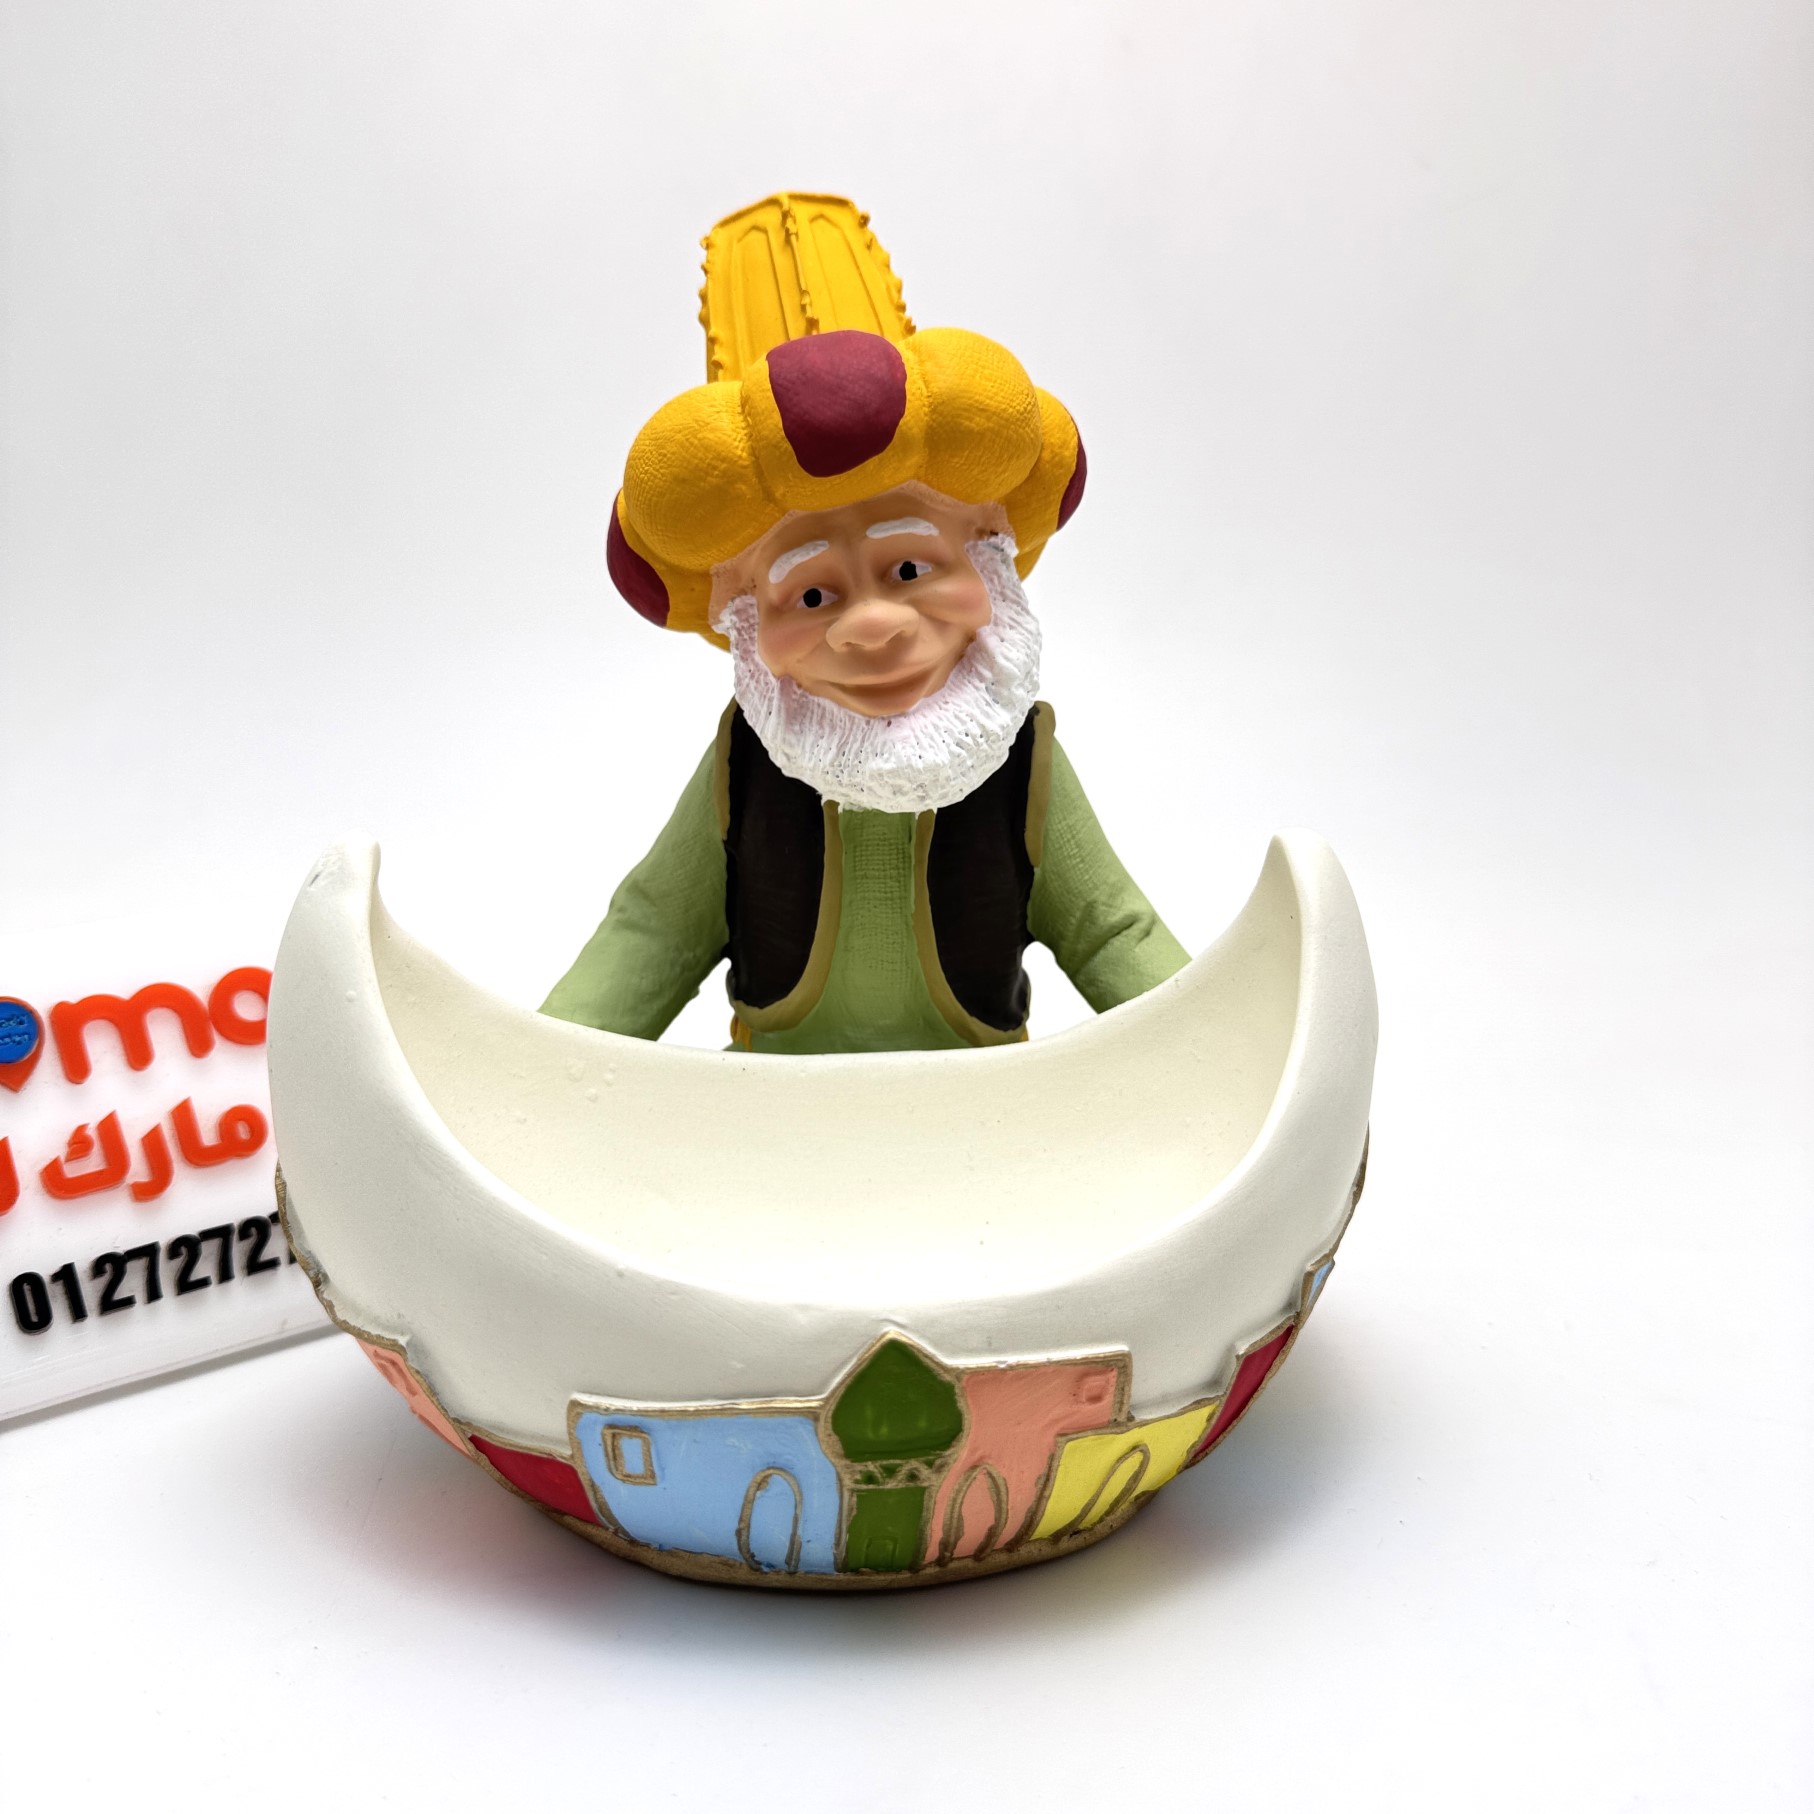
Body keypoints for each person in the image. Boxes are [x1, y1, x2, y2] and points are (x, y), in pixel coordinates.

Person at [542, 194, 1186, 1054]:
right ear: (746, 617)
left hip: (983, 1111)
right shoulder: (743, 768)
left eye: (910, 568)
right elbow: (653, 928)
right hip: (775, 1111)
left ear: (986, 562)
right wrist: (542, 1070)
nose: (873, 626)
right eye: (812, 595)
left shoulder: (1022, 764)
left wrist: (1217, 1058)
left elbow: (1112, 931)